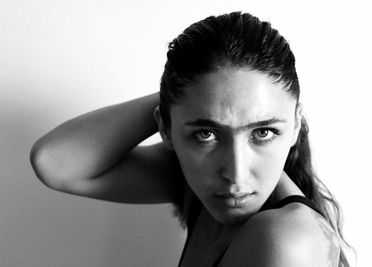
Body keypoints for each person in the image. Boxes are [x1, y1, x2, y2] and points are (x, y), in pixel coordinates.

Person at [30, 11, 351, 267]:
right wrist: (184, 98)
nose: (235, 175)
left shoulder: (288, 240)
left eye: (263, 133)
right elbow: (54, 162)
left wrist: (190, 102)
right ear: (166, 129)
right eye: (206, 133)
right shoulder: (191, 184)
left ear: (296, 126)